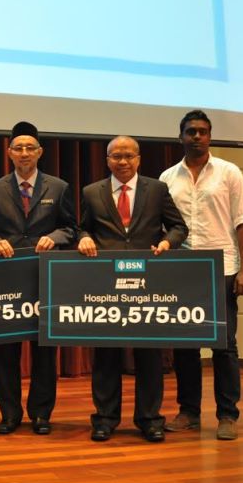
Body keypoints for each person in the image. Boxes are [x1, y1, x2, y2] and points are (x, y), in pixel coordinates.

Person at [77, 135, 187, 443]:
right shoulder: (91, 192)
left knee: (149, 354)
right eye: (116, 156)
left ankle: (149, 419)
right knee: (106, 354)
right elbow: (81, 227)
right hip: (105, 284)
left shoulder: (157, 189)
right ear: (107, 160)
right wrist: (83, 238)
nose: (122, 161)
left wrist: (168, 243)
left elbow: (179, 227)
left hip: (147, 281)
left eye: (128, 156)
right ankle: (105, 419)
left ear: (138, 159)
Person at [159, 110, 243, 441]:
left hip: (222, 267)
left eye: (202, 131)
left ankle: (227, 415)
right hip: (182, 270)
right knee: (184, 346)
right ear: (180, 137)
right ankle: (189, 412)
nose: (197, 136)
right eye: (191, 131)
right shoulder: (167, 177)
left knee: (224, 345)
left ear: (210, 136)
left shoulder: (229, 172)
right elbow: (164, 226)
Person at [0, 121, 76, 435]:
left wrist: (54, 237)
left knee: (44, 351)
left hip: (44, 278)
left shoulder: (58, 187)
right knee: (5, 351)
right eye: (18, 148)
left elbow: (71, 228)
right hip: (6, 278)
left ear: (40, 152)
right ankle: (9, 414)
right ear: (9, 153)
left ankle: (41, 414)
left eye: (29, 148)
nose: (24, 153)